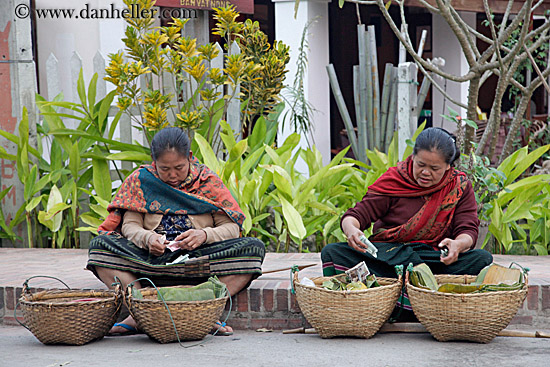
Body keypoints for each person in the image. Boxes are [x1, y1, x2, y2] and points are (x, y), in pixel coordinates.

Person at [87, 127, 265, 336]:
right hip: (151, 260)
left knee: (254, 249)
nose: (172, 175)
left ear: (189, 157)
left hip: (197, 259)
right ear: (154, 163)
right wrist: (147, 238)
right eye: (165, 169)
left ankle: (197, 308)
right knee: (99, 248)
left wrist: (205, 235)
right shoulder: (142, 181)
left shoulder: (207, 181)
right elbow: (129, 225)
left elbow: (232, 228)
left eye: (179, 167)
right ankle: (143, 308)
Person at [322, 127, 493, 279]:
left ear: (448, 166)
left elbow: (467, 230)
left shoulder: (458, 186)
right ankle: (421, 282)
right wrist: (351, 229)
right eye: (420, 165)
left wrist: (457, 245)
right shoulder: (395, 180)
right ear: (413, 157)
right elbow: (357, 215)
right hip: (391, 255)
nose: (425, 172)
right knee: (333, 252)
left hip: (434, 258)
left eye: (434, 169)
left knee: (481, 258)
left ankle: (415, 280)